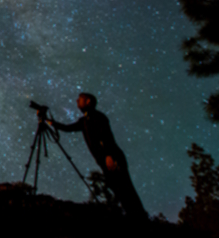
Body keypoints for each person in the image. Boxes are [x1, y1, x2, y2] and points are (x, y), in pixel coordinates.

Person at [47, 92, 148, 220]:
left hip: (113, 157)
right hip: (104, 160)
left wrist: (109, 155)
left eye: (80, 99)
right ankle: (135, 218)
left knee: (126, 189)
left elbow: (106, 136)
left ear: (88, 101)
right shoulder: (84, 121)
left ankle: (141, 219)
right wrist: (49, 122)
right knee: (119, 190)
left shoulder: (98, 116)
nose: (77, 101)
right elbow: (67, 128)